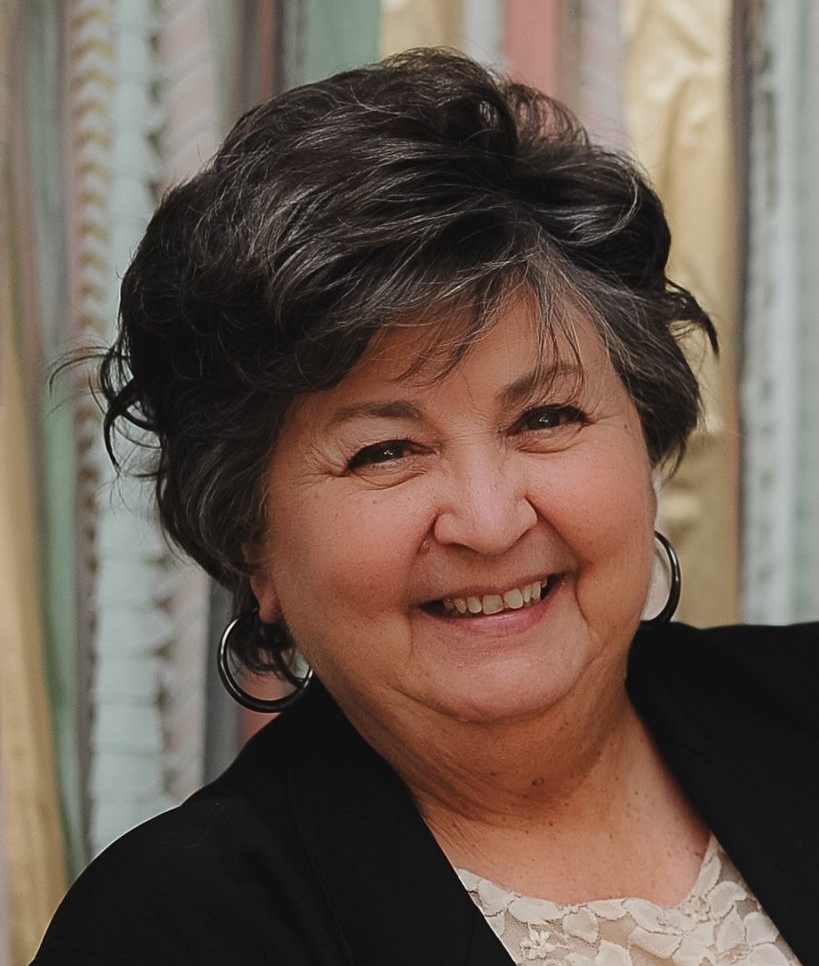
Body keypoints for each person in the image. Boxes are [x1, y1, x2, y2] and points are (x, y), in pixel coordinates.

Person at [32, 49, 817, 966]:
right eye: (385, 452)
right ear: (251, 538)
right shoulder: (173, 929)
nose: (488, 522)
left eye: (545, 417)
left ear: (643, 438)